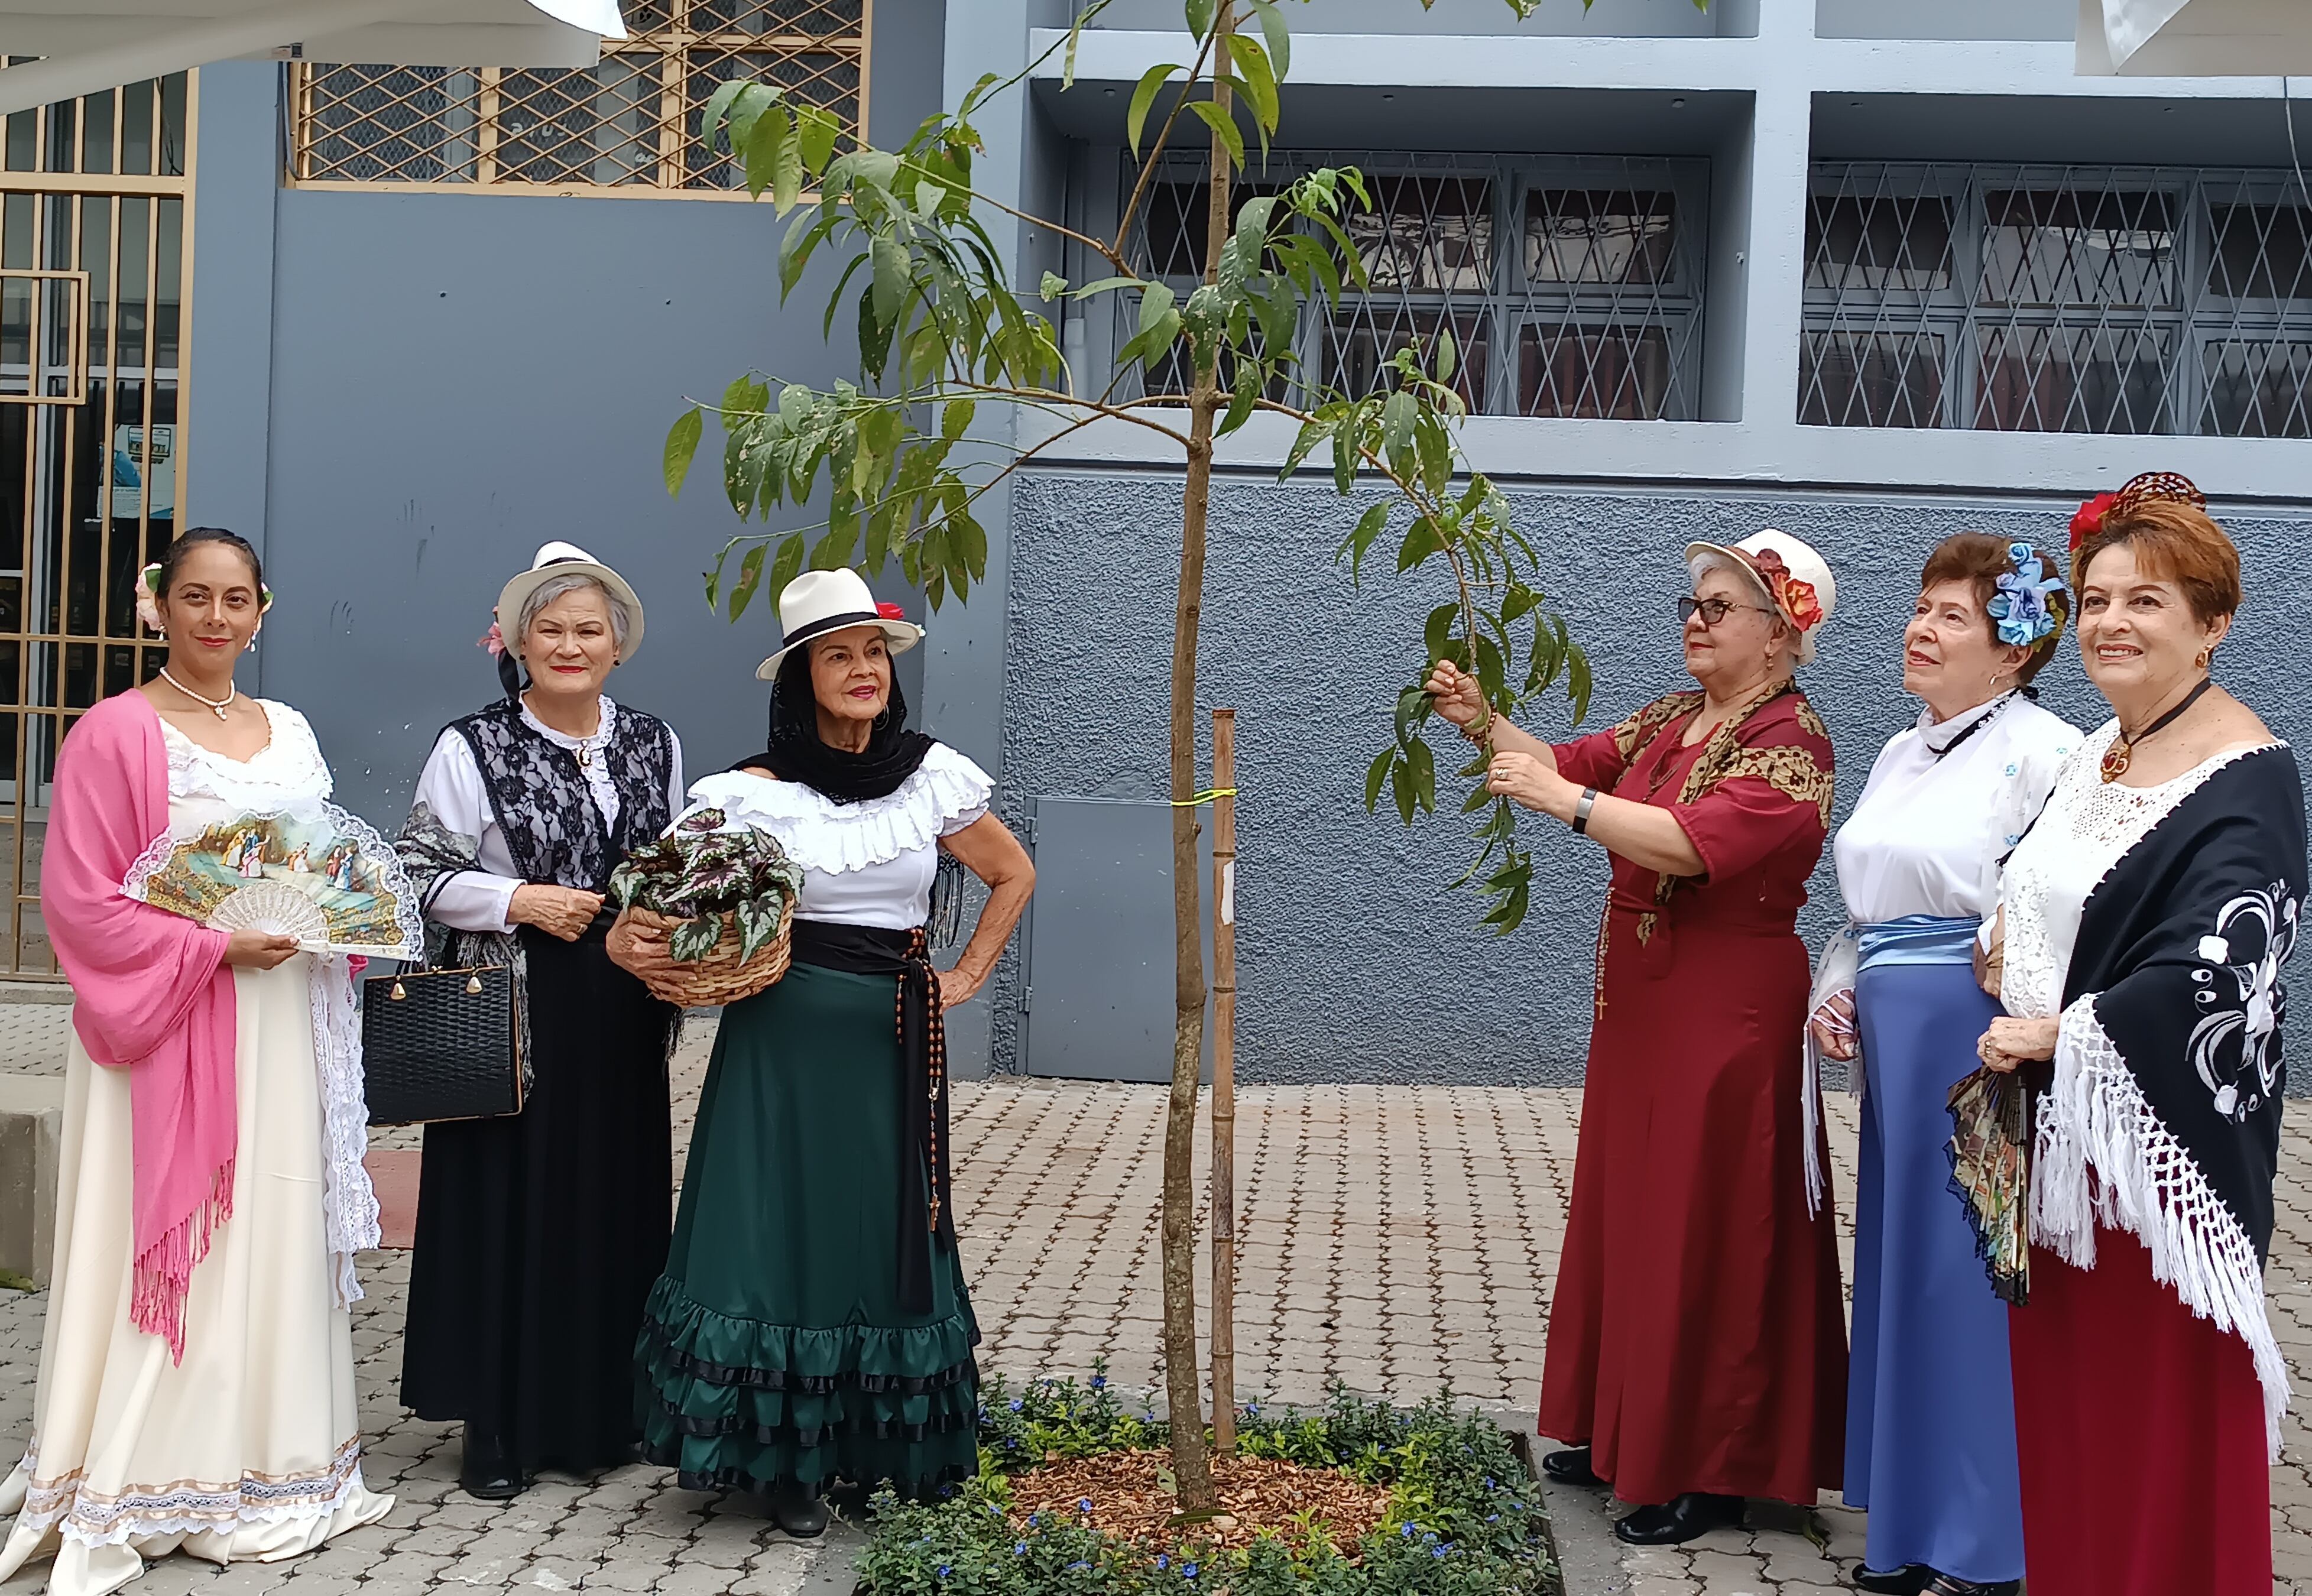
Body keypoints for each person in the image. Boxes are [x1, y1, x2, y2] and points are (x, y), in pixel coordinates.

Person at [1429, 530, 1847, 1547]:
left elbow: (1694, 847)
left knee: (1709, 1221)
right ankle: (1626, 1431)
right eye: (1691, 606)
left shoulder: (1794, 743)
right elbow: (1563, 763)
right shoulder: (1674, 717)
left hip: (1728, 1010)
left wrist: (1568, 805)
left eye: (1720, 607)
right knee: (1634, 1210)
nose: (1696, 623)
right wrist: (1485, 722)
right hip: (1648, 1004)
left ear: (1782, 633)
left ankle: (1709, 1462)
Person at [0, 528, 393, 1594]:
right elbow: (80, 907)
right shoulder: (115, 734)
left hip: (290, 1026)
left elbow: (327, 871)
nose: (217, 619)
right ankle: (151, 1469)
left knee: (272, 1222)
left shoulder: (293, 728)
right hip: (175, 1027)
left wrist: (338, 926)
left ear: (263, 609)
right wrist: (217, 943)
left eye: (237, 599)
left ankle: (276, 1466)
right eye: (195, 598)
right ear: (155, 606)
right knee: (177, 1236)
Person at [615, 569, 1034, 1536]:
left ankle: (868, 1448)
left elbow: (1013, 873)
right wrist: (632, 939)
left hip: (892, 1034)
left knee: (878, 1228)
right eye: (836, 656)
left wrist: (963, 978)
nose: (861, 671)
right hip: (781, 1039)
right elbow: (655, 901)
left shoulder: (933, 775)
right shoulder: (749, 793)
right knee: (778, 1231)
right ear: (800, 678)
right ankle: (785, 1464)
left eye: (873, 653)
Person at [1978, 473, 2301, 1596]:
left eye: (2148, 602)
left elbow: (2216, 969)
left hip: (2158, 1175)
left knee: (2156, 1438)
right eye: (2097, 597)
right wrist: (2003, 946)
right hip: (2062, 1164)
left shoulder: (2247, 779)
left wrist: (2060, 1030)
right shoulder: (2097, 750)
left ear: (2215, 624)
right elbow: (2038, 884)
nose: (2111, 621)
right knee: (2073, 1437)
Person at [1807, 535, 2077, 1596]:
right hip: (1893, 1034)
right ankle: (1910, 1523)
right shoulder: (1897, 749)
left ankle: (1985, 1543)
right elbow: (1870, 906)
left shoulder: (2051, 751)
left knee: (1969, 1267)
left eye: (1953, 616)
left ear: (2011, 652)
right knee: (1901, 1267)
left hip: (1973, 1036)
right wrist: (1840, 985)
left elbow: (2054, 906)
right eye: (1921, 607)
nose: (1922, 628)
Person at [395, 541, 685, 1501]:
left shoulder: (655, 741)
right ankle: (501, 1427)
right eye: (550, 629)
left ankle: (610, 1412)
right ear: (519, 642)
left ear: (618, 646)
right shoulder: (469, 745)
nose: (569, 645)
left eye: (588, 630)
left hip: (624, 1007)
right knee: (511, 1208)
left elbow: (675, 869)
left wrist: (674, 928)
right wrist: (521, 899)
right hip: (514, 1008)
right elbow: (418, 876)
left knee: (615, 1197)